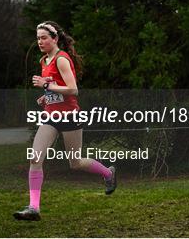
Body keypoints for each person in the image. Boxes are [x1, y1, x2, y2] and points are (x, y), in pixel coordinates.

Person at [14, 21, 116, 221]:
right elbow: (55, 87)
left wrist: (48, 87)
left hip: (70, 117)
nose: (40, 42)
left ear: (55, 39)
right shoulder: (44, 61)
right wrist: (47, 97)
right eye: (38, 38)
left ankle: (108, 173)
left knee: (75, 163)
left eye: (44, 38)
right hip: (51, 117)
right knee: (35, 158)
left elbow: (73, 89)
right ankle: (34, 208)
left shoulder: (62, 59)